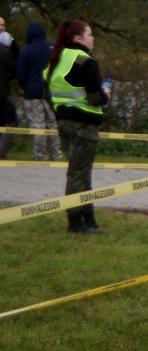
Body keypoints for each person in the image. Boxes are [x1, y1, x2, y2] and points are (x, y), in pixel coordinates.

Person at [44, 20, 109, 233]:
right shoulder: (86, 61)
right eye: (90, 34)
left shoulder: (57, 59)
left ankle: (89, 219)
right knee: (78, 174)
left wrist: (61, 113)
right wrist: (104, 95)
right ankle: (75, 222)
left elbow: (48, 92)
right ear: (78, 38)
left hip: (63, 122)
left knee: (80, 172)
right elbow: (94, 99)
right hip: (84, 125)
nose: (93, 38)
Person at [14, 23, 61, 161]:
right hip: (52, 93)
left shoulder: (26, 50)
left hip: (32, 92)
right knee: (52, 124)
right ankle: (56, 154)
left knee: (38, 125)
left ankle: (41, 156)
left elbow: (20, 74)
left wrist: (27, 87)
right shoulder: (53, 49)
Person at [0, 31, 18, 159]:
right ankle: (1, 152)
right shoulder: (6, 53)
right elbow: (14, 70)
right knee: (12, 120)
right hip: (2, 93)